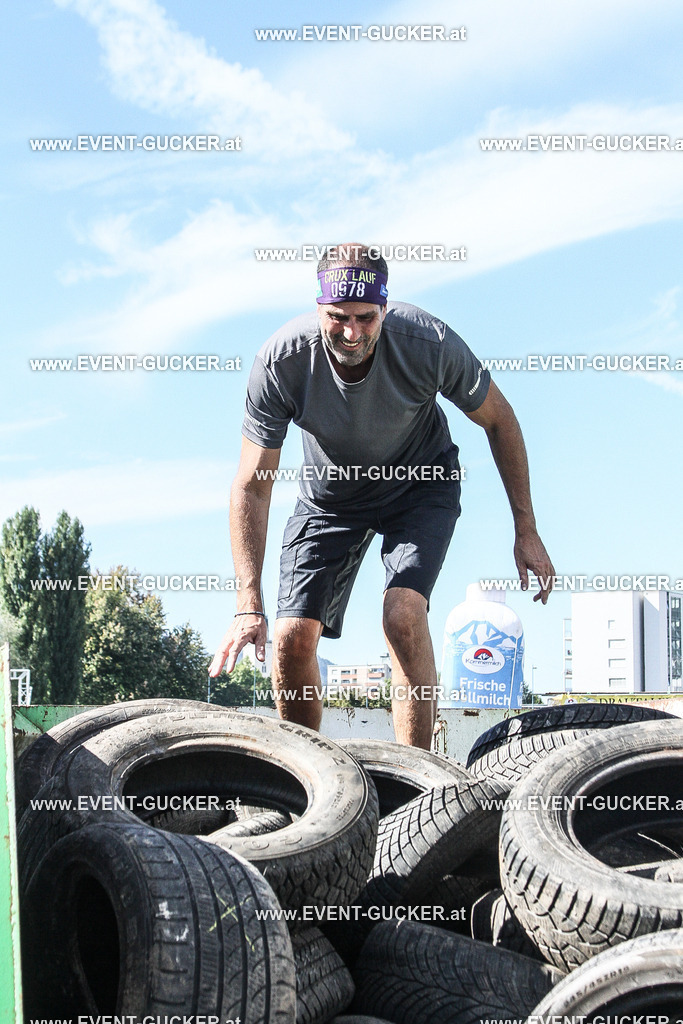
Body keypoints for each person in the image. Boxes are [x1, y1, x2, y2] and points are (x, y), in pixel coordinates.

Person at [209, 244, 554, 748]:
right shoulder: (282, 361)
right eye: (338, 317)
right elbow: (252, 484)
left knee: (403, 613)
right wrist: (247, 602)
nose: (352, 333)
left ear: (385, 308)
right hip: (330, 501)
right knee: (290, 638)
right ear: (318, 309)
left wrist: (526, 528)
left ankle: (418, 783)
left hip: (419, 487)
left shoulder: (427, 342)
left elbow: (500, 420)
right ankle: (307, 783)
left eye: (366, 318)